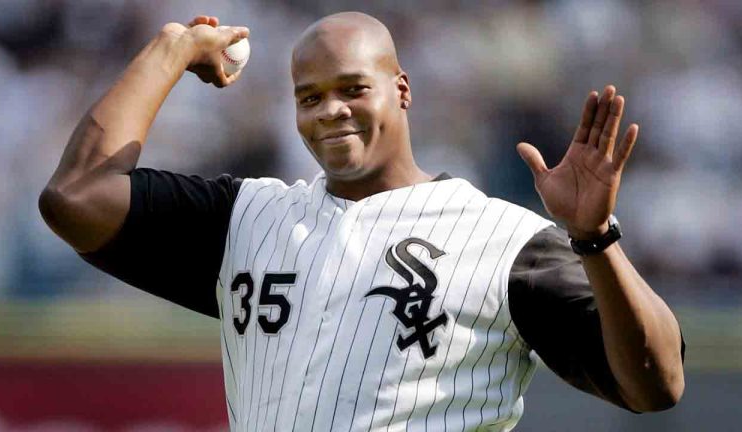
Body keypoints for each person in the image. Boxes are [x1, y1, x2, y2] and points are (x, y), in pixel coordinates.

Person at [39, 11, 685, 432]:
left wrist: (596, 240)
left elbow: (658, 384)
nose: (331, 113)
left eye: (353, 88)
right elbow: (75, 197)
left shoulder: (503, 242)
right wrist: (171, 50)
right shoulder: (248, 218)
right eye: (310, 98)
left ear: (400, 90)